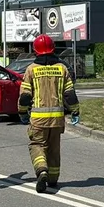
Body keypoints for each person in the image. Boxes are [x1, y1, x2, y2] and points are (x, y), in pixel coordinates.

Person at [18, 34, 79, 193]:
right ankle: (52, 180)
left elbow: (25, 96)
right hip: (57, 119)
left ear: (36, 51)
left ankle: (42, 171)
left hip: (38, 119)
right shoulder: (62, 68)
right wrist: (75, 111)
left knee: (37, 145)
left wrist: (22, 112)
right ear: (53, 49)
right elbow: (69, 95)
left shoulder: (31, 69)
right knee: (53, 149)